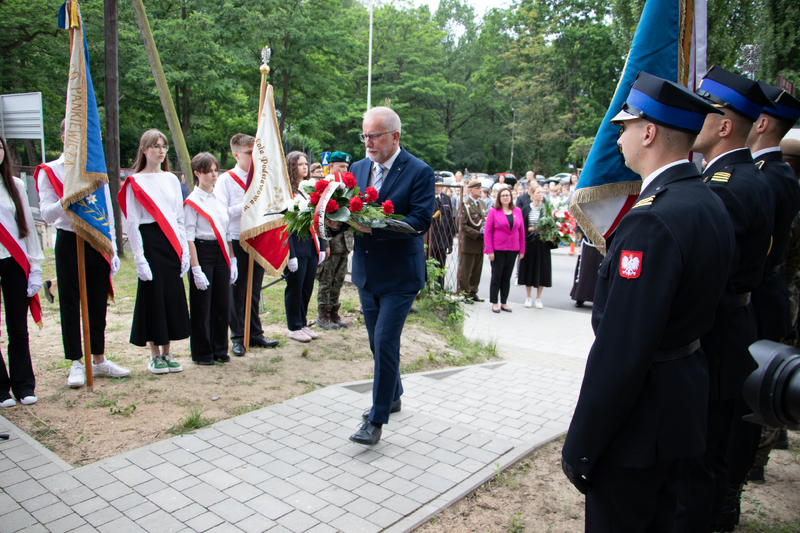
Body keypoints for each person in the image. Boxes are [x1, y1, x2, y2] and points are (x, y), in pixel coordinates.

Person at [561, 72, 735, 532]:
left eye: (625, 127)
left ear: (650, 131)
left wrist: (582, 443)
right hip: (682, 402)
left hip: (641, 420)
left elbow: (622, 349)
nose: (618, 138)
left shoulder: (653, 220)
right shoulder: (707, 200)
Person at [677, 66, 776, 532]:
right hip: (733, 329)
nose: (693, 120)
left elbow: (710, 277)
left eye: (706, 112)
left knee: (699, 460)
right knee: (711, 453)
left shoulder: (729, 186)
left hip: (716, 336)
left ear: (722, 125)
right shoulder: (744, 177)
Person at [346, 106, 433, 445]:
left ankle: (376, 419)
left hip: (400, 276)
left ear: (395, 136)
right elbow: (347, 209)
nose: (368, 142)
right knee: (375, 343)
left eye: (375, 135)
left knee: (384, 342)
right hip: (367, 273)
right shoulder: (357, 168)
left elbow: (419, 221)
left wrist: (377, 226)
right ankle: (393, 393)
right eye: (364, 134)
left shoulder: (419, 171)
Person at [36, 119, 129, 387]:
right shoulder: (49, 170)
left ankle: (98, 359)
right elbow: (45, 213)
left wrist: (110, 245)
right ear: (65, 137)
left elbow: (107, 211)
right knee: (70, 300)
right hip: (68, 238)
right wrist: (68, 198)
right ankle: (76, 361)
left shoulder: (95, 169)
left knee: (98, 302)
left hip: (96, 239)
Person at [119, 129, 191, 374]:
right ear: (144, 149)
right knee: (153, 298)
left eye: (164, 146)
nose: (161, 151)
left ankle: (168, 352)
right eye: (155, 146)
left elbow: (179, 218)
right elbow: (132, 223)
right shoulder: (135, 182)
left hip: (170, 243)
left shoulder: (171, 179)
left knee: (170, 296)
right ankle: (154, 355)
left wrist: (184, 251)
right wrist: (139, 258)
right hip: (149, 241)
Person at [216, 133, 278, 356]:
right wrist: (246, 205)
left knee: (254, 289)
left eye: (256, 153)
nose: (254, 157)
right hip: (236, 238)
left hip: (257, 237)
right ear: (236, 154)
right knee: (237, 290)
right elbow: (220, 213)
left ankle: (254, 333)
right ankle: (237, 336)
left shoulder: (259, 177)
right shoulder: (226, 180)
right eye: (250, 153)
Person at [747, 82, 800, 343]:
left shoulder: (762, 176)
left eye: (749, 114)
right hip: (773, 292)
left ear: (762, 124)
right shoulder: (782, 172)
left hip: (756, 301)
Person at [0, 134, 43, 407]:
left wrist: (35, 266)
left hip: (14, 263)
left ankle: (24, 385)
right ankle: (1, 388)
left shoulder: (15, 185)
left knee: (18, 328)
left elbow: (27, 229)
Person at [184, 152, 236, 365]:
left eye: (216, 170)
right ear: (197, 173)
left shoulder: (220, 197)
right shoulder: (191, 202)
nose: (214, 175)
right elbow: (188, 236)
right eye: (208, 171)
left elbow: (227, 230)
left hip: (221, 251)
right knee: (202, 305)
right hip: (201, 251)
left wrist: (232, 259)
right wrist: (195, 268)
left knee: (222, 302)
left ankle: (219, 348)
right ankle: (202, 352)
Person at [285, 151, 326, 343]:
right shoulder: (286, 191)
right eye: (300, 164)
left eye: (305, 163)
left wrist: (323, 245)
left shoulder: (306, 190)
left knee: (307, 285)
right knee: (295, 286)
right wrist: (290, 253)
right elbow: (286, 225)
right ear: (292, 167)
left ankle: (301, 322)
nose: (304, 167)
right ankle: (293, 326)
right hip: (296, 245)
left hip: (310, 244)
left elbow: (317, 218)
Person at [316, 151, 353, 330]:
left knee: (338, 279)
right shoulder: (325, 187)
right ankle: (323, 315)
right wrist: (326, 244)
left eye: (346, 167)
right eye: (341, 166)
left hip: (344, 243)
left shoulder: (346, 188)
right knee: (326, 279)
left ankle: (333, 312)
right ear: (330, 166)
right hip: (331, 242)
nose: (344, 169)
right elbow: (320, 219)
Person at [484, 188, 525, 312]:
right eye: (503, 196)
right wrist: (489, 250)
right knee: (497, 276)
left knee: (507, 277)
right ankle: (494, 302)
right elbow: (488, 231)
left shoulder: (517, 211)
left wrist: (522, 250)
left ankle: (504, 302)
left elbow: (521, 231)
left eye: (507, 195)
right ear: (499, 198)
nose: (506, 198)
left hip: (513, 249)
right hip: (498, 249)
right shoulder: (494, 211)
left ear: (511, 197)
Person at [518, 185, 554, 309]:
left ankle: (538, 298)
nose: (540, 194)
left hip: (542, 244)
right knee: (528, 269)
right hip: (530, 243)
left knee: (542, 269)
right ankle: (528, 297)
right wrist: (534, 229)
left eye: (542, 192)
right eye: (538, 192)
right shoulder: (526, 209)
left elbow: (552, 226)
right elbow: (522, 227)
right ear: (532, 194)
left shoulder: (547, 209)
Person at [460, 179, 486, 303]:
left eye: (480, 188)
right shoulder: (465, 204)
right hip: (470, 242)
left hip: (480, 244)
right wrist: (477, 234)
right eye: (477, 188)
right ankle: (464, 293)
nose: (480, 190)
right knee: (467, 270)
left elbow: (484, 220)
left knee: (477, 270)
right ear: (470, 190)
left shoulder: (482, 203)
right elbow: (462, 226)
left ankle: (473, 292)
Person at [430, 180, 455, 289]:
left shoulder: (446, 199)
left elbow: (450, 221)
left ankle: (439, 289)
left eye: (439, 185)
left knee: (441, 265)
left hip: (443, 239)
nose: (437, 188)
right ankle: (428, 289)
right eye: (435, 185)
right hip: (431, 238)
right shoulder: (428, 197)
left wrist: (450, 241)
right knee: (429, 265)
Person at [570, 229, 602, 308]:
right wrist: (579, 238)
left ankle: (598, 299)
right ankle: (580, 297)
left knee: (599, 273)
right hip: (588, 243)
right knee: (584, 272)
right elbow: (580, 224)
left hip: (602, 244)